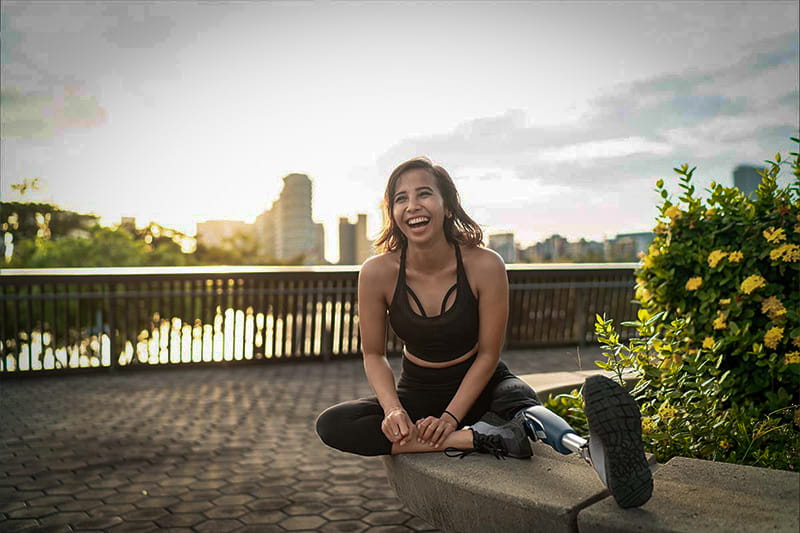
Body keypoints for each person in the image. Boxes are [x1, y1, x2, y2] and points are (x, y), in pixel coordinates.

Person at [316, 157, 653, 508]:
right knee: (335, 424)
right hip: (419, 391)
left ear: (447, 206)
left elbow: (490, 354)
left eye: (424, 194)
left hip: (485, 384)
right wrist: (393, 410)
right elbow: (373, 354)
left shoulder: (485, 264)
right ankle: (483, 438)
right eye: (401, 198)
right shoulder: (376, 272)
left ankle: (588, 449)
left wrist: (449, 418)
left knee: (522, 404)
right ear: (393, 213)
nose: (412, 205)